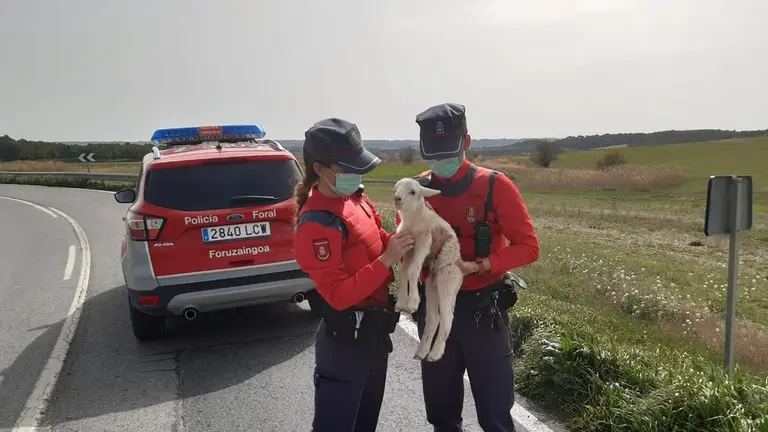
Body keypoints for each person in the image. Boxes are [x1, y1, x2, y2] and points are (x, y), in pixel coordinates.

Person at [403, 103, 540, 432]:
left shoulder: (496, 187)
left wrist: (483, 265)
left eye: (447, 151)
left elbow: (529, 247)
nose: (440, 163)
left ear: (466, 142)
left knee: (495, 414)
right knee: (442, 414)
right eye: (433, 154)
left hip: (483, 313)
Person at [292, 117, 416, 432]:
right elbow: (337, 295)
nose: (357, 174)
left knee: (365, 424)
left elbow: (376, 242)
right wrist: (389, 259)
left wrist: (405, 243)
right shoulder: (316, 223)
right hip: (345, 342)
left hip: (374, 336)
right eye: (349, 168)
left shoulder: (355, 198)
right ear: (320, 169)